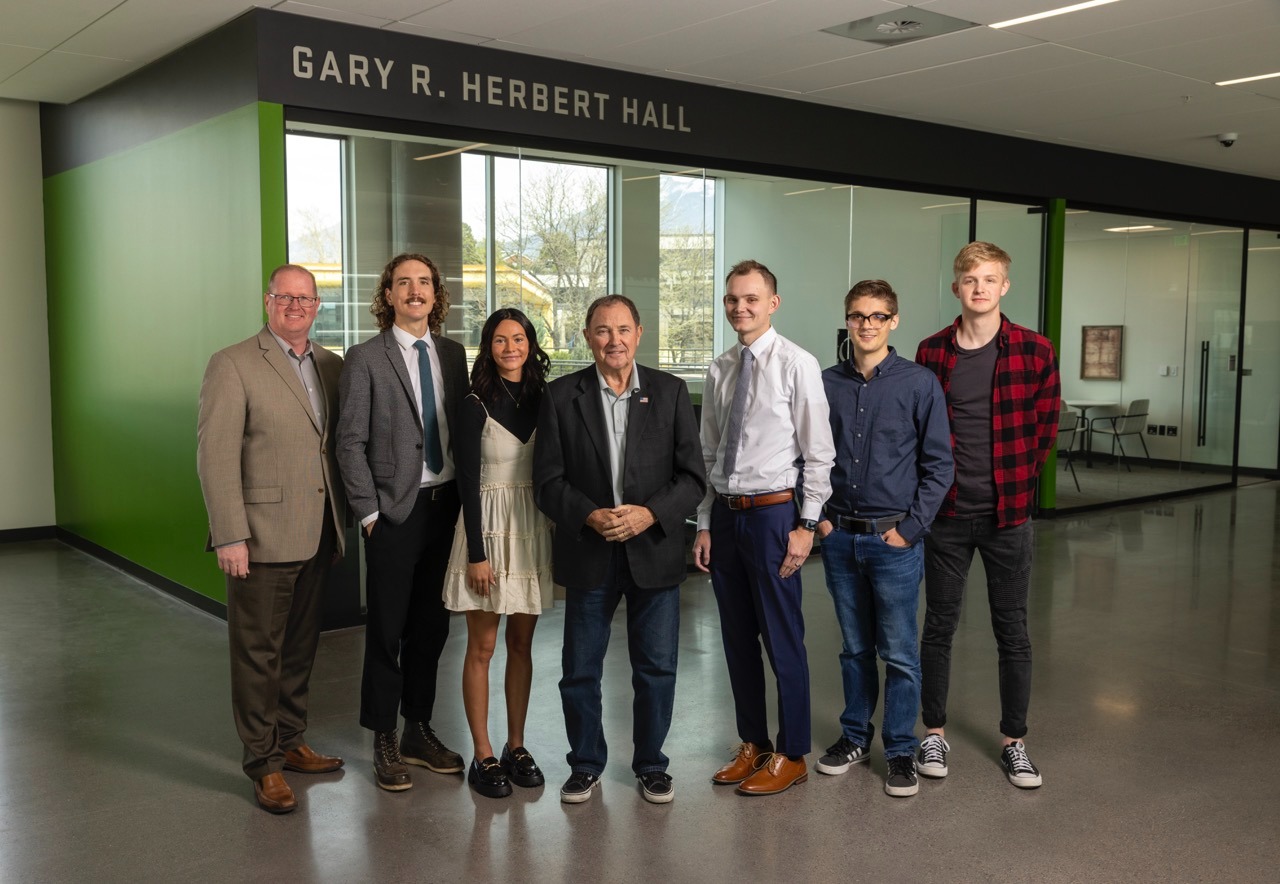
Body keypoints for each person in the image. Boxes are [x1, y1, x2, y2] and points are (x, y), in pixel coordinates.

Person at [533, 294, 705, 805]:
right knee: (580, 670)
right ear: (587, 337)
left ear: (639, 333)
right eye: (603, 330)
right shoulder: (561, 395)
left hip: (653, 548)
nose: (614, 340)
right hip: (590, 549)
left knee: (656, 668)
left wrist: (649, 513)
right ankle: (585, 763)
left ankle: (652, 763)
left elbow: (693, 477)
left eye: (623, 329)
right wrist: (589, 513)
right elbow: (546, 480)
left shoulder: (671, 392)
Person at [196, 264, 347, 814]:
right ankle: (263, 764)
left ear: (316, 306)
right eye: (285, 297)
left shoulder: (332, 365)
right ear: (268, 301)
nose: (295, 306)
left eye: (305, 298)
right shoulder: (233, 363)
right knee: (258, 652)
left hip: (318, 531)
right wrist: (230, 534)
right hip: (260, 536)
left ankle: (291, 739)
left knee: (301, 647)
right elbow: (215, 457)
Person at [914, 241, 1060, 789]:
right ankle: (933, 731)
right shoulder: (930, 353)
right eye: (971, 279)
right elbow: (915, 433)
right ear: (957, 287)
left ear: (1005, 286)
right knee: (939, 628)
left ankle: (1014, 741)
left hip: (1008, 519)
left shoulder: (1035, 351)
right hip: (946, 517)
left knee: (1012, 630)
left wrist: (1018, 490)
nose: (980, 288)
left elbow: (1045, 432)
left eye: (990, 279)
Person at [693, 259, 835, 797]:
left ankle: (792, 751)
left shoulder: (798, 364)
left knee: (782, 640)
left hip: (777, 515)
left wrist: (805, 525)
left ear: (772, 303)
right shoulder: (720, 367)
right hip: (728, 515)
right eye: (732, 298)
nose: (740, 307)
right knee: (736, 639)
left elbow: (819, 455)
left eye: (751, 298)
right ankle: (752, 744)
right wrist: (705, 521)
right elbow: (710, 452)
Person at [814, 279, 952, 798]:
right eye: (857, 316)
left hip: (893, 541)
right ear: (846, 321)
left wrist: (910, 531)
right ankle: (854, 737)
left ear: (894, 321)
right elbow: (810, 455)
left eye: (876, 316)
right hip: (839, 538)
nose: (866, 324)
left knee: (898, 652)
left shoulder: (919, 383)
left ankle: (899, 749)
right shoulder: (825, 383)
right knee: (853, 648)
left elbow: (939, 466)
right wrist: (823, 520)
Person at [336, 252, 469, 792]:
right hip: (394, 512)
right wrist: (368, 512)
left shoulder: (455, 355)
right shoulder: (365, 357)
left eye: (424, 283)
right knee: (387, 630)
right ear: (387, 295)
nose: (415, 291)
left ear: (436, 295)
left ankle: (417, 727)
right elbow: (348, 441)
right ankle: (383, 734)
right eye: (402, 283)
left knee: (432, 630)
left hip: (447, 509)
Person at [441, 308, 555, 799]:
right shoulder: (473, 402)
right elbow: (467, 481)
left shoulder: (546, 398)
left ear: (531, 343)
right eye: (500, 340)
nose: (511, 347)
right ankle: (483, 752)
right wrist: (478, 554)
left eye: (519, 338)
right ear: (488, 347)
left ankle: (516, 745)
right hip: (484, 527)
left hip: (529, 526)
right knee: (483, 647)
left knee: (523, 646)